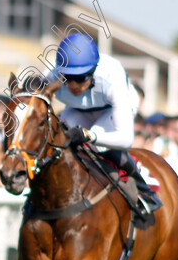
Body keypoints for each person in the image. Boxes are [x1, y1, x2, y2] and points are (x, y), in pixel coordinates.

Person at [50, 32, 158, 220]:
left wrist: (90, 136)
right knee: (56, 140)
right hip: (78, 109)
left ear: (93, 71)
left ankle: (142, 191)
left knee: (97, 143)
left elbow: (125, 139)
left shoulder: (111, 76)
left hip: (112, 110)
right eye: (68, 77)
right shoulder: (51, 75)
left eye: (81, 77)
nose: (73, 84)